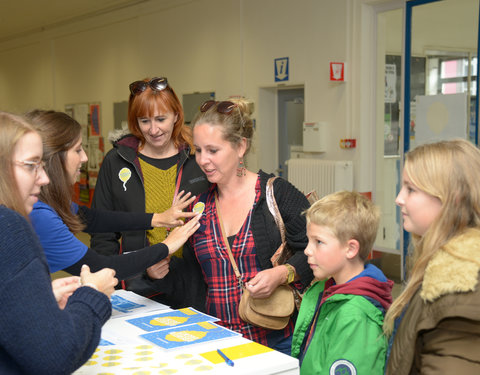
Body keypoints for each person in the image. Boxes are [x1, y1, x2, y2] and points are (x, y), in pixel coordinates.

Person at [150, 99, 313, 353]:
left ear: (240, 147)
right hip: (218, 343)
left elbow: (318, 253)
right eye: (199, 150)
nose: (203, 160)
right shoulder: (199, 207)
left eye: (213, 150)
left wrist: (283, 274)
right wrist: (158, 271)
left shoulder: (276, 194)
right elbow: (196, 278)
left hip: (276, 343)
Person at [0, 111, 117, 374]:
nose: (43, 178)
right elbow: (56, 355)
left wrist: (37, 300)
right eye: (31, 165)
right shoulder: (10, 228)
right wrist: (92, 296)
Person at [24, 109, 201, 281]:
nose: (85, 157)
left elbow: (92, 218)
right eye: (77, 150)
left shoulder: (45, 202)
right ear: (55, 158)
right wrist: (166, 246)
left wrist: (157, 219)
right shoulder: (39, 213)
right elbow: (99, 267)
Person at [90, 77, 210, 303]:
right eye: (144, 121)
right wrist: (115, 281)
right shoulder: (117, 162)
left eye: (161, 119)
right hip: (136, 286)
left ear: (176, 115)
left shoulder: (199, 159)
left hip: (196, 286)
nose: (153, 129)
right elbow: (103, 234)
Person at [384, 139, 480, 374]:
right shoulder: (445, 265)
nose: (399, 199)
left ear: (451, 198)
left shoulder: (461, 282)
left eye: (411, 189)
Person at [290, 191, 393, 374]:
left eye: (318, 242)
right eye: (308, 241)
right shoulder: (326, 290)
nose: (307, 250)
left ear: (351, 248)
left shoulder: (355, 316)